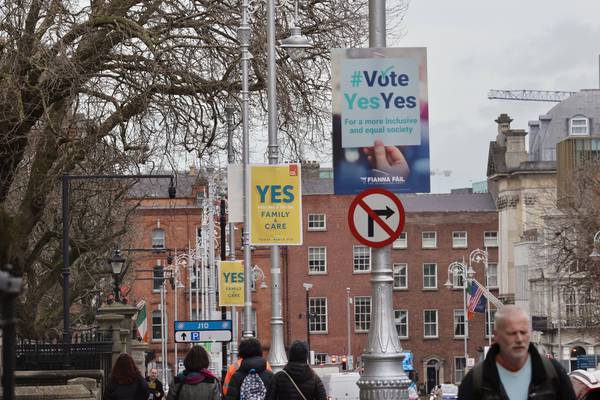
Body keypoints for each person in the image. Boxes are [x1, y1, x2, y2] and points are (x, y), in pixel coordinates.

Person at [458, 305, 576, 400]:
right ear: (496, 335)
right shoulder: (475, 380)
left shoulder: (553, 373)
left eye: (523, 332)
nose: (519, 339)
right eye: (512, 333)